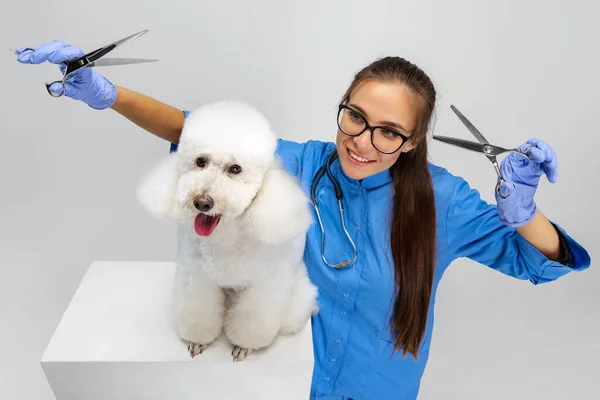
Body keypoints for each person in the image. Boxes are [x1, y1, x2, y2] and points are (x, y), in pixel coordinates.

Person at [14, 41, 591, 400]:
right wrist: (107, 94)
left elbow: (537, 262)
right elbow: (192, 129)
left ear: (414, 142)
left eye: (389, 132)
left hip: (379, 391)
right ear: (340, 109)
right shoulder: (301, 163)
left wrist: (525, 214)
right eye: (355, 117)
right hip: (283, 383)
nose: (362, 142)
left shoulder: (445, 200)